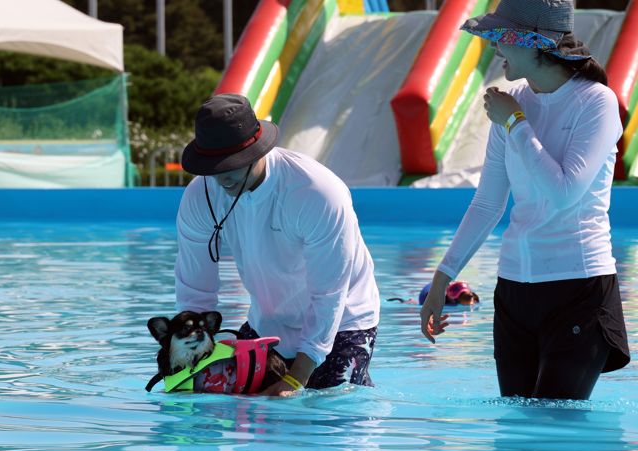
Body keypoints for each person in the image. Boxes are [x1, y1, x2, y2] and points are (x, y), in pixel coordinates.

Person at [420, 0, 630, 400]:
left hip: (578, 291)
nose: (495, 47)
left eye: (502, 37)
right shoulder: (512, 99)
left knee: (552, 431)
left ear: (536, 44)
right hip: (514, 294)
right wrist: (440, 280)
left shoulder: (596, 102)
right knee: (516, 432)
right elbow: (487, 204)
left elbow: (564, 193)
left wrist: (516, 122)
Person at [176, 93, 381, 396]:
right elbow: (195, 290)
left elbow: (329, 294)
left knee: (327, 419)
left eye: (230, 165)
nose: (221, 178)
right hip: (268, 323)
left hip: (342, 322)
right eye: (213, 167)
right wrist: (190, 358)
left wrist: (297, 377)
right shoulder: (201, 195)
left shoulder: (316, 192)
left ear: (257, 152)